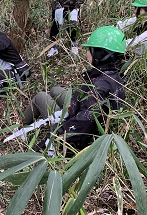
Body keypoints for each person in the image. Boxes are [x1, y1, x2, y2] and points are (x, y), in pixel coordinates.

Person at [22, 26, 126, 155]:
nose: (86, 52)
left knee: (40, 97)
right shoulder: (111, 76)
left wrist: (57, 132)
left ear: (99, 54)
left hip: (80, 137)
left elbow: (83, 122)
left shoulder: (99, 85)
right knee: (55, 90)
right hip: (91, 119)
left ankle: (22, 124)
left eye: (89, 49)